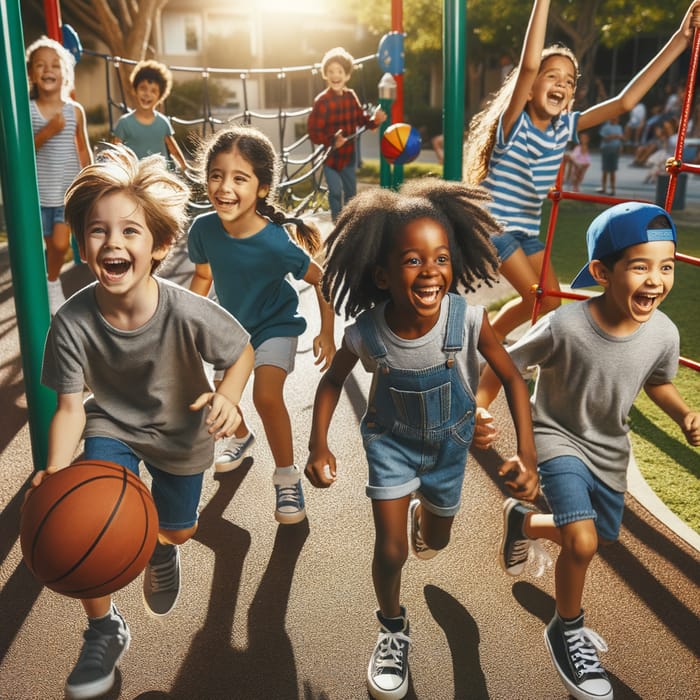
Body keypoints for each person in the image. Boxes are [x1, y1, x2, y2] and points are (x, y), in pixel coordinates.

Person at [28, 146, 254, 700]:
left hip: (181, 432)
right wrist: (58, 468)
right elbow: (69, 405)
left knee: (177, 529)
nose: (113, 243)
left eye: (131, 231)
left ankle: (159, 547)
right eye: (98, 232)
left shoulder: (184, 307)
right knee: (84, 517)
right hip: (112, 425)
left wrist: (228, 395)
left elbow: (241, 349)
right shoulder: (72, 319)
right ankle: (104, 627)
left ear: (158, 245)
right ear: (82, 244)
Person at [305, 180, 538, 700]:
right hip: (390, 443)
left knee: (437, 539)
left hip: (448, 449)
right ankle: (391, 627)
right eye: (413, 260)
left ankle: (424, 522)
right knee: (389, 551)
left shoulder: (469, 319)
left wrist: (526, 452)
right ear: (384, 275)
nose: (430, 271)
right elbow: (330, 381)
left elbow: (514, 377)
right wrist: (318, 444)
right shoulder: (367, 332)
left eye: (441, 258)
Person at [475, 201, 700, 700]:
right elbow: (508, 365)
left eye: (667, 267)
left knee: (597, 535)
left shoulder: (663, 332)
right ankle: (566, 627)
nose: (655, 280)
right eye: (640, 266)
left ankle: (523, 522)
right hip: (555, 438)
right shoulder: (567, 326)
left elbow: (659, 382)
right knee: (581, 543)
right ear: (602, 271)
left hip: (609, 447)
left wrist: (683, 413)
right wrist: (479, 404)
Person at [463, 0, 700, 345]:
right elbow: (528, 65)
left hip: (526, 231)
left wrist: (681, 39)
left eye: (569, 81)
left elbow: (625, 102)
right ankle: (490, 348)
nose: (561, 83)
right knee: (535, 296)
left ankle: (487, 340)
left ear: (573, 95)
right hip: (491, 226)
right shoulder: (513, 125)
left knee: (550, 300)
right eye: (552, 76)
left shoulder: (565, 127)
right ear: (528, 89)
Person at [188, 125, 336, 524]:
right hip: (232, 329)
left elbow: (321, 280)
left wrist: (328, 332)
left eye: (240, 178)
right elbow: (203, 277)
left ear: (263, 188)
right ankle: (241, 436)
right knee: (222, 402)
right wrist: (181, 320)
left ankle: (287, 478)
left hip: (274, 325)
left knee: (266, 396)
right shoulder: (203, 229)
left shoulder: (274, 242)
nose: (224, 187)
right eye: (216, 175)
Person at [26, 36, 92, 315]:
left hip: (66, 192)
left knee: (61, 244)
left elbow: (83, 148)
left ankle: (53, 282)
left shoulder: (74, 110)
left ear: (65, 73)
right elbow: (22, 151)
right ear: (30, 73)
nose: (48, 69)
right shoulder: (26, 111)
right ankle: (37, 287)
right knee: (34, 249)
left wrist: (90, 179)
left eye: (55, 64)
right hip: (36, 193)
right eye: (40, 65)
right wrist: (48, 132)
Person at [307, 47, 387, 221]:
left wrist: (375, 120)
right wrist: (332, 141)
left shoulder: (351, 96)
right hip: (330, 157)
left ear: (347, 75)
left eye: (340, 71)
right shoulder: (322, 101)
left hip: (348, 156)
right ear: (325, 75)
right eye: (331, 71)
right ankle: (338, 224)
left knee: (351, 194)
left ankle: (351, 223)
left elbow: (361, 119)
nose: (335, 75)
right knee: (335, 192)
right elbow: (314, 132)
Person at [112, 59, 188, 171]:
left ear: (160, 96)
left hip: (159, 177)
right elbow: (115, 151)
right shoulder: (124, 123)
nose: (147, 94)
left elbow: (173, 148)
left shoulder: (163, 122)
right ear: (134, 90)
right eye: (143, 88)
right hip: (135, 179)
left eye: (153, 91)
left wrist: (185, 167)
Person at [597, 116, 624, 195]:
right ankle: (603, 187)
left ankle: (613, 189)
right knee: (605, 170)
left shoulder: (619, 127)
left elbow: (621, 138)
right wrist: (613, 136)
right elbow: (604, 138)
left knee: (613, 170)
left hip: (615, 149)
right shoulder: (606, 127)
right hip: (606, 149)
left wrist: (620, 147)